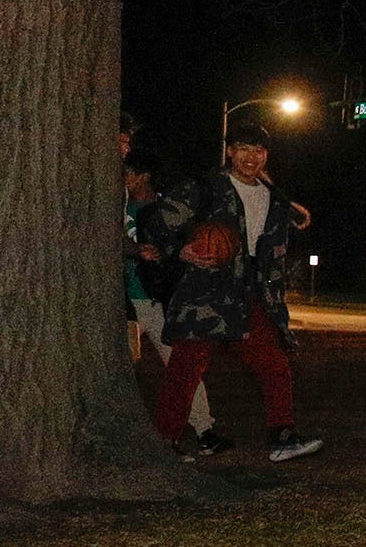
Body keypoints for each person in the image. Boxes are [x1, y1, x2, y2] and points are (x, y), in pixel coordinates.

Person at [146, 122, 325, 466]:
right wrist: (180, 249)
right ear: (229, 151)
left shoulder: (273, 198)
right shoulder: (206, 189)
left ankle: (283, 436)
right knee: (187, 365)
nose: (250, 157)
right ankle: (165, 440)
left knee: (273, 361)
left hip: (252, 290)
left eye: (258, 150)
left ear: (266, 155)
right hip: (208, 290)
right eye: (242, 148)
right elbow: (155, 223)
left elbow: (296, 222)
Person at [124, 150, 220, 455]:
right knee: (127, 364)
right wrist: (135, 250)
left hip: (154, 297)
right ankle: (132, 429)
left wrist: (168, 253)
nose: (123, 179)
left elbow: (184, 245)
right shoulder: (116, 204)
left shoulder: (165, 209)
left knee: (179, 363)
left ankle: (204, 428)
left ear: (143, 176)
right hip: (123, 299)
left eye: (128, 173)